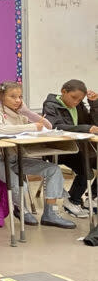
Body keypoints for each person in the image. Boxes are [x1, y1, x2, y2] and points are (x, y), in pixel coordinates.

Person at [0, 81, 75, 228]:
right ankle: (21, 209)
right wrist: (31, 126)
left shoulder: (21, 115)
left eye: (20, 96)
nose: (18, 100)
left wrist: (28, 112)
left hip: (18, 160)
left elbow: (48, 126)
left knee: (53, 170)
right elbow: (0, 130)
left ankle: (50, 213)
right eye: (13, 96)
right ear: (2, 97)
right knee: (18, 183)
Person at [42, 79, 98, 216]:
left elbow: (93, 124)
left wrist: (94, 105)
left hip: (80, 148)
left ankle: (94, 198)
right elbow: (55, 126)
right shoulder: (50, 105)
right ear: (63, 92)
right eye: (73, 98)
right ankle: (73, 200)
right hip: (59, 149)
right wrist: (85, 128)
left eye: (80, 100)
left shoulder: (78, 106)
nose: (76, 102)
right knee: (86, 170)